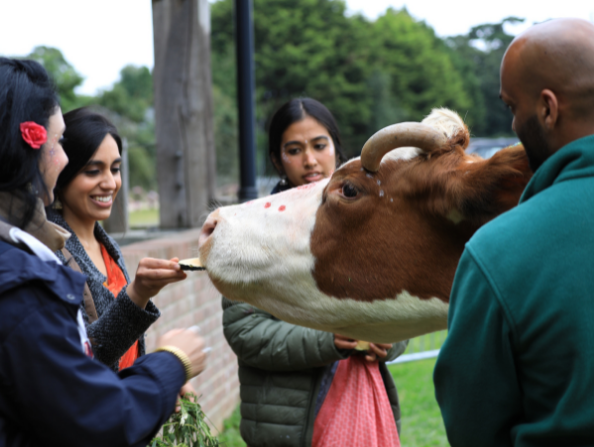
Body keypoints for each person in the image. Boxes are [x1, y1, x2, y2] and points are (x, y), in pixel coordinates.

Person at [0, 58, 206, 447]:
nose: (63, 158)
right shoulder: (11, 279)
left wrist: (142, 379)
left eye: (116, 168)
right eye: (59, 144)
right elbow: (95, 418)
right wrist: (169, 364)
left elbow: (47, 394)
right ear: (26, 148)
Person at [434, 18, 594, 446]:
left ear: (547, 108)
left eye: (511, 107)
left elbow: (473, 427)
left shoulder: (497, 253)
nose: (512, 126)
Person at [222, 98, 408, 447]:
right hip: (288, 427)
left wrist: (390, 340)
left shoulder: (368, 226)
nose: (309, 159)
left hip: (365, 409)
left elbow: (397, 309)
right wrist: (329, 341)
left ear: (337, 150)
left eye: (319, 146)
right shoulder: (254, 230)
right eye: (294, 150)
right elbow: (245, 332)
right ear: (278, 160)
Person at [47, 107, 194, 396]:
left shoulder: (109, 247)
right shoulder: (51, 253)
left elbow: (123, 353)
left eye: (115, 169)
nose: (110, 183)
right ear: (61, 174)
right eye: (93, 171)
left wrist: (154, 378)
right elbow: (81, 360)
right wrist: (138, 294)